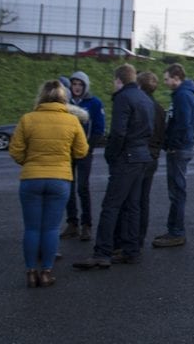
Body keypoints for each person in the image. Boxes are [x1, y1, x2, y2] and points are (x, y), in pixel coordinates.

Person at [10, 80, 89, 287]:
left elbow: (15, 150)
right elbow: (82, 151)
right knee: (52, 228)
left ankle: (30, 272)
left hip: (31, 179)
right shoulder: (72, 121)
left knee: (32, 228)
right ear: (63, 97)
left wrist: (28, 162)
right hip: (60, 179)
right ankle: (46, 272)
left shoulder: (27, 119)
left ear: (41, 96)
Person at [73, 64, 153, 269]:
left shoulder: (122, 98)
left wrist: (111, 154)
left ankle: (102, 252)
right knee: (133, 206)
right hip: (142, 156)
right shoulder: (145, 98)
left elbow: (118, 132)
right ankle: (131, 250)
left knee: (111, 206)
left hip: (126, 157)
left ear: (119, 80)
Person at [113, 71, 165, 258]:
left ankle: (126, 241)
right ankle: (139, 239)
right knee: (143, 201)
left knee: (129, 201)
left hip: (137, 155)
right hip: (153, 157)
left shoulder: (141, 105)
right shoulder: (159, 108)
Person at [153, 63, 194, 248]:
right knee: (176, 191)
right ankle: (173, 230)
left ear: (176, 77)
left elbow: (182, 123)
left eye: (167, 78)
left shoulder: (182, 96)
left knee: (177, 191)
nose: (165, 82)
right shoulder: (184, 94)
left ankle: (176, 232)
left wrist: (172, 145)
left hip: (179, 149)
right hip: (181, 148)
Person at [59, 70, 105, 242]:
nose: (77, 87)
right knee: (67, 188)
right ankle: (72, 223)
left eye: (80, 84)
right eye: (74, 84)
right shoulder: (64, 102)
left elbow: (99, 128)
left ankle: (87, 224)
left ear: (85, 86)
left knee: (82, 187)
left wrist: (88, 147)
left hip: (84, 151)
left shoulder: (94, 103)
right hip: (66, 151)